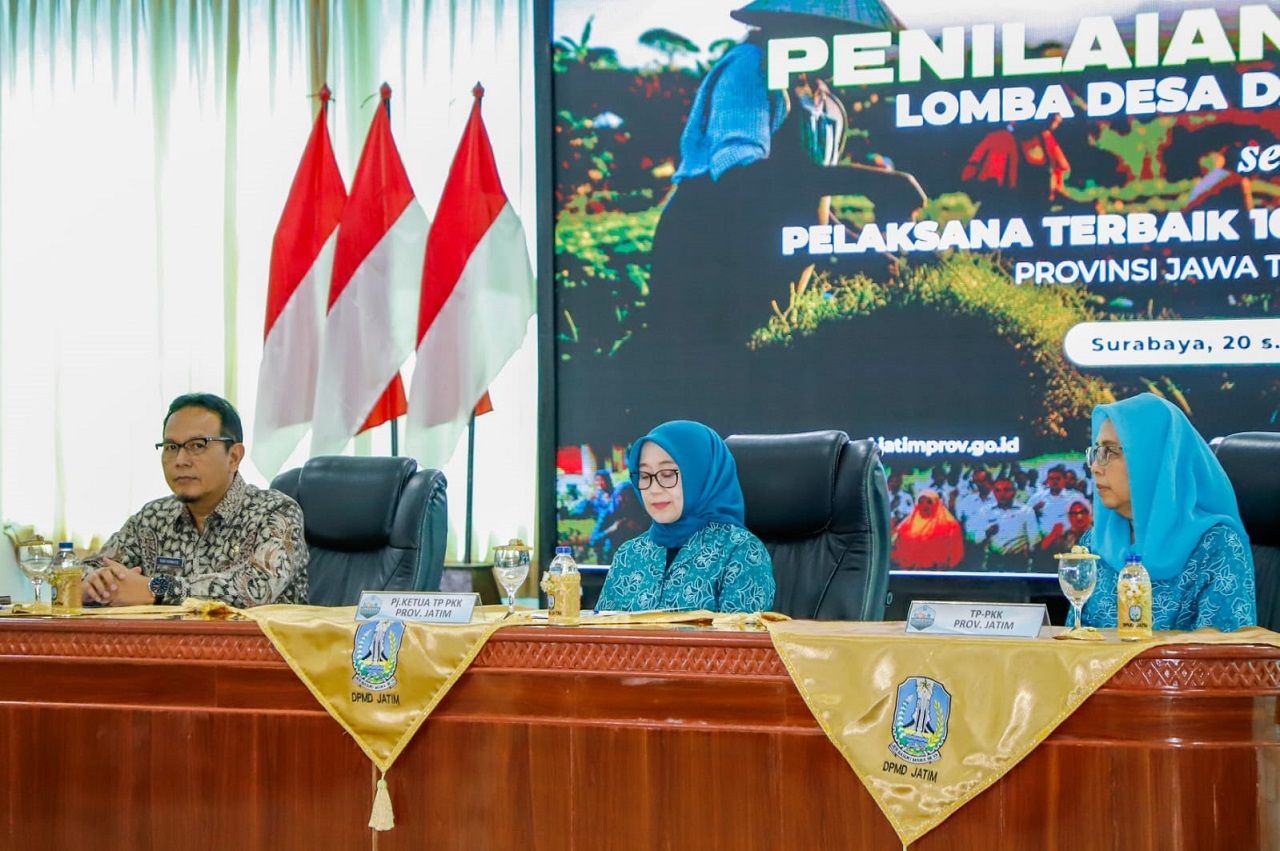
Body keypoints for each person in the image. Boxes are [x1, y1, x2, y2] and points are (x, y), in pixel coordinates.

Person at [81, 393, 308, 608]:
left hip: (257, 647)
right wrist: (92, 584)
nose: (180, 460)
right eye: (171, 447)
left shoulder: (275, 512)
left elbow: (255, 588)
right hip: (164, 648)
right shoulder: (153, 518)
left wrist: (154, 589)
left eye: (197, 445)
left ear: (234, 456)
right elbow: (88, 568)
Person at [1074, 394, 1255, 631]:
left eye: (1110, 452)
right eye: (1096, 452)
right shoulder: (1093, 543)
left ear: (1153, 460)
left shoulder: (1215, 546)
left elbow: (1225, 659)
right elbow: (1074, 643)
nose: (1095, 467)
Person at [595, 420, 774, 613]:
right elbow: (600, 638)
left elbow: (740, 641)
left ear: (700, 475)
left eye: (667, 474)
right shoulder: (628, 554)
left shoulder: (741, 551)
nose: (654, 489)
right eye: (645, 476)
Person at [892, 489, 964, 570]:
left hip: (940, 573)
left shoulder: (950, 524)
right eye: (921, 502)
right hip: (912, 573)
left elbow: (956, 550)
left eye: (929, 502)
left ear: (936, 503)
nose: (924, 505)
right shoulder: (906, 525)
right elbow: (897, 547)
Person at [980, 477, 1040, 571]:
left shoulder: (1026, 511)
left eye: (1006, 490)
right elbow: (977, 539)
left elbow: (1034, 540)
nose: (1002, 494)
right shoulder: (985, 511)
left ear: (1014, 491)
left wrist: (1027, 556)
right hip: (993, 561)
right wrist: (986, 533)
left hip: (1017, 562)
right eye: (998, 491)